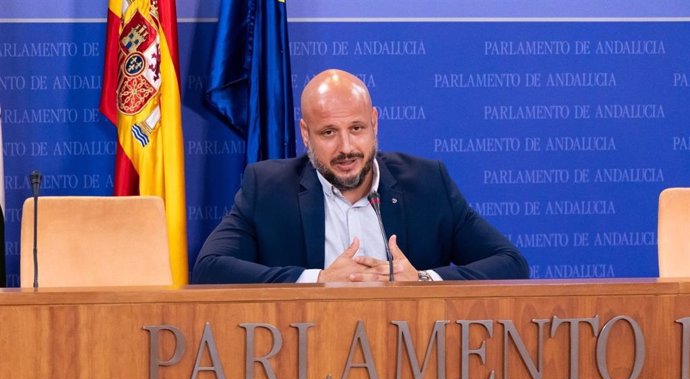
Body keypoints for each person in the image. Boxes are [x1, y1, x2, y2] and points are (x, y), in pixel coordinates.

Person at [192, 69, 529, 284]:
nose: (346, 147)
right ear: (305, 134)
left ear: (374, 123)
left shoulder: (428, 183)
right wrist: (318, 279)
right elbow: (210, 267)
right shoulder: (267, 188)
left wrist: (423, 279)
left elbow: (511, 263)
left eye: (356, 128)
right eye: (328, 133)